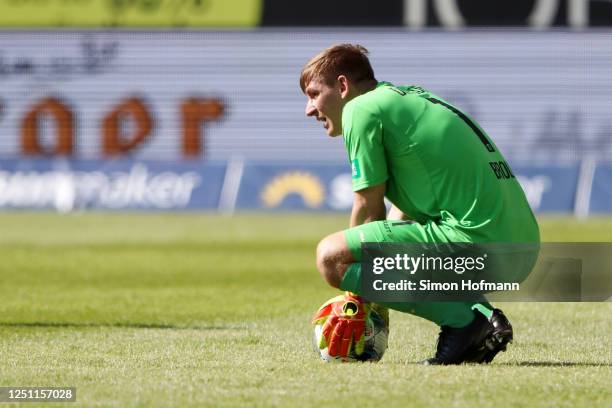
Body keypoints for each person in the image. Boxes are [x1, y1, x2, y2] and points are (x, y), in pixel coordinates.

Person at [301, 44, 540, 365]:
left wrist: (360, 295)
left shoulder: (361, 109)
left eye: (314, 94)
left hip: (480, 246)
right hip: (520, 250)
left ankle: (467, 322)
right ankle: (478, 312)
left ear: (343, 86)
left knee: (332, 258)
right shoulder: (408, 98)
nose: (309, 109)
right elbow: (401, 218)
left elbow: (367, 205)